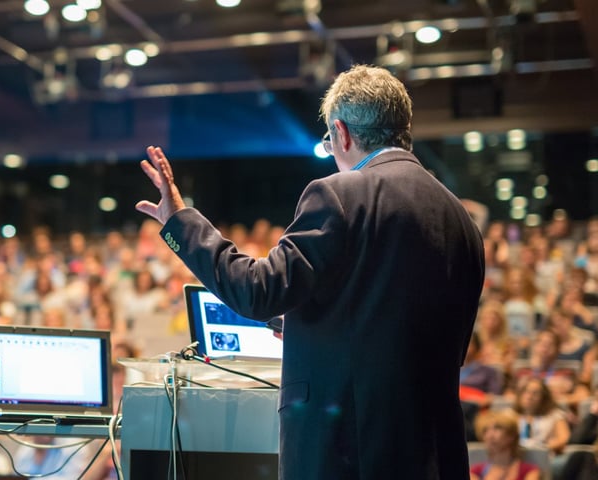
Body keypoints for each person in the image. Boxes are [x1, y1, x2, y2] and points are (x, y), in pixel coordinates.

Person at [135, 65, 486, 479]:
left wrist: (180, 220)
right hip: (434, 455)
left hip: (346, 452)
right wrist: (310, 324)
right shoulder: (460, 219)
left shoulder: (341, 192)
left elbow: (257, 291)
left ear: (341, 133)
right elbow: (408, 331)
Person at [470, 410, 540, 480]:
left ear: (511, 436)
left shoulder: (529, 471)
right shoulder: (475, 471)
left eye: (497, 428)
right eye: (485, 430)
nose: (490, 435)